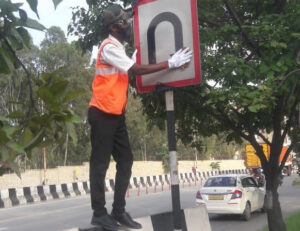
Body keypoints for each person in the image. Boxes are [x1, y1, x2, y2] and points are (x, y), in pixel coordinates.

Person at [88, 4, 193, 231]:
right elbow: (135, 71)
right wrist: (170, 63)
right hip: (102, 113)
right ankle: (98, 213)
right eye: (124, 23)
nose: (128, 25)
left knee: (126, 161)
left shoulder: (117, 47)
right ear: (114, 28)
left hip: (116, 114)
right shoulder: (108, 47)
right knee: (99, 164)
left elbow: (126, 69)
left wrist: (132, 57)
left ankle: (118, 211)